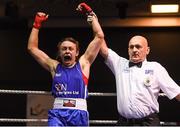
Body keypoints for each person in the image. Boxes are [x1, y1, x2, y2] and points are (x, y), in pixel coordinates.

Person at [27, 3, 104, 126]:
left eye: (70, 48)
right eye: (64, 49)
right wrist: (36, 25)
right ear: (60, 52)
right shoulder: (54, 66)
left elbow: (99, 37)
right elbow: (32, 48)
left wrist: (90, 15)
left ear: (77, 52)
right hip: (57, 114)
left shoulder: (83, 64)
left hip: (79, 114)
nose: (67, 51)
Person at [100, 35, 180, 126]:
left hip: (148, 123)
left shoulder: (155, 68)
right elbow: (103, 49)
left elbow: (176, 91)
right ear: (128, 50)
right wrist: (94, 22)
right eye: (131, 47)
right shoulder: (120, 64)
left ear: (147, 50)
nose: (134, 50)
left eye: (138, 46)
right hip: (124, 123)